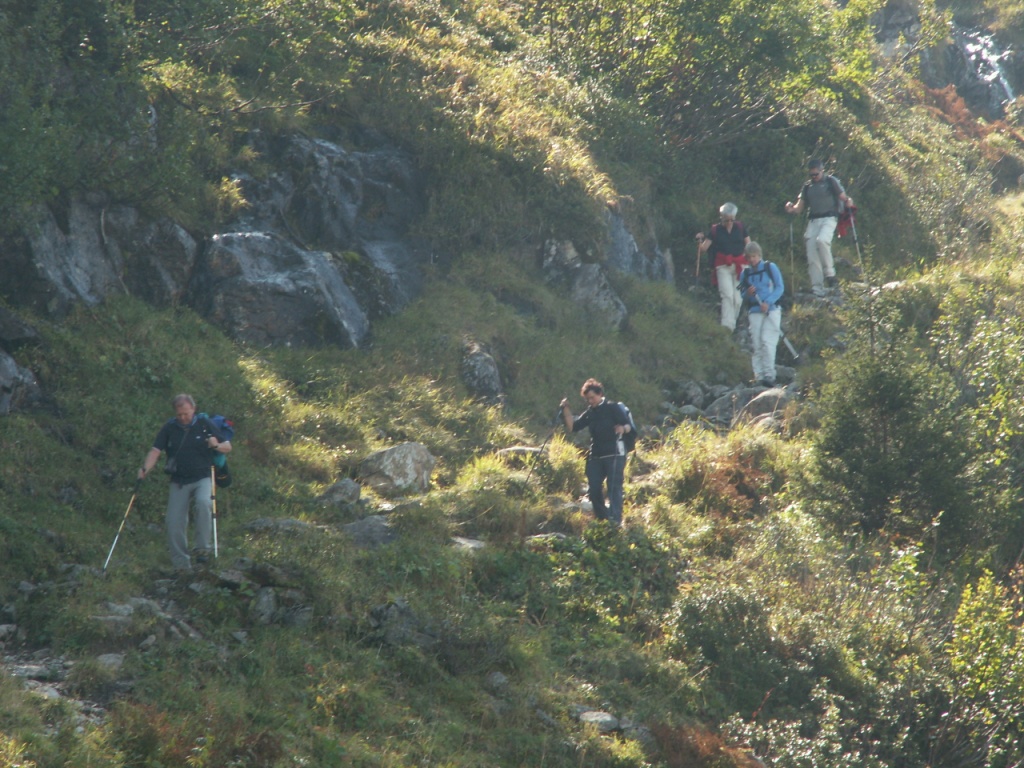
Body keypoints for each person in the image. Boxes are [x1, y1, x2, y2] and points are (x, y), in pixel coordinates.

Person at [138, 394, 232, 570]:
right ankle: (181, 564)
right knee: (173, 521)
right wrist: (145, 469)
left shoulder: (204, 424)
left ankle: (203, 551)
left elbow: (227, 447)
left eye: (186, 414)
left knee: (204, 503)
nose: (182, 418)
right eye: (179, 414)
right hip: (179, 480)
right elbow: (155, 450)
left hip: (202, 477)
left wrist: (216, 445)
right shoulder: (170, 427)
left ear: (193, 409)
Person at [560, 379, 631, 526]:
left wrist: (622, 429)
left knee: (614, 488)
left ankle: (615, 522)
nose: (590, 401)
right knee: (593, 489)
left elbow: (628, 426)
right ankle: (602, 519)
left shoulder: (612, 408)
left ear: (600, 394)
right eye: (587, 399)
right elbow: (573, 427)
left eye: (592, 398)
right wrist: (566, 410)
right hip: (596, 455)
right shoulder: (590, 413)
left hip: (615, 454)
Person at [784, 159, 854, 297]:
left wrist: (848, 201)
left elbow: (843, 197)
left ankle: (831, 276)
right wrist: (791, 208)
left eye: (816, 174)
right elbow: (799, 207)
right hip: (813, 220)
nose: (814, 177)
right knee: (811, 252)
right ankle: (817, 287)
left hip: (829, 218)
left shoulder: (830, 181)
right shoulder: (807, 186)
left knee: (822, 241)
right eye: (811, 175)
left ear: (822, 171)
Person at [696, 202, 751, 331]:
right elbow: (703, 248)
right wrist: (699, 240)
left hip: (740, 267)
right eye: (727, 220)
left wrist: (751, 261)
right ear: (721, 218)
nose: (729, 223)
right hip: (723, 267)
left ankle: (732, 322)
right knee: (727, 295)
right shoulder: (715, 230)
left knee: (737, 298)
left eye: (732, 220)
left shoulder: (740, 227)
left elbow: (749, 245)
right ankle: (727, 327)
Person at [738, 242, 784, 388]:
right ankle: (759, 376)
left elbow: (779, 287)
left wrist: (768, 302)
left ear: (759, 255)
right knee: (757, 344)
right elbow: (742, 294)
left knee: (767, 342)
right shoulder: (745, 274)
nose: (752, 260)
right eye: (749, 257)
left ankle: (769, 376)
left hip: (771, 310)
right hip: (754, 311)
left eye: (754, 256)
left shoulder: (770, 267)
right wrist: (748, 293)